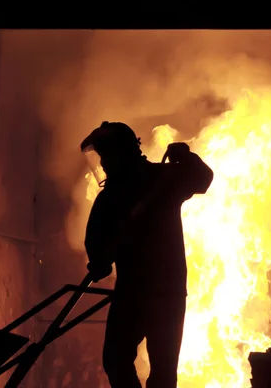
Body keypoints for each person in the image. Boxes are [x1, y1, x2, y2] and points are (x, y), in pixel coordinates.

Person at [80, 121, 213, 388]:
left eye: (106, 155)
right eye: (101, 157)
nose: (103, 163)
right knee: (125, 362)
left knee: (148, 367)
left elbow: (202, 179)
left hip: (154, 293)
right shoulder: (125, 192)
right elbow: (96, 243)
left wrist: (187, 158)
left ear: (123, 152)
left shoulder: (161, 180)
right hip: (150, 291)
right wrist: (98, 260)